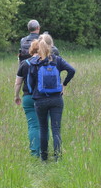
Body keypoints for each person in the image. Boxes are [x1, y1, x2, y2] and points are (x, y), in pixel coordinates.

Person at [32, 34, 75, 162]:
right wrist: (64, 84)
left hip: (40, 99)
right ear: (52, 45)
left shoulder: (35, 62)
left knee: (43, 128)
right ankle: (57, 157)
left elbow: (30, 81)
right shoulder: (58, 60)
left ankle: (44, 158)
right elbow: (72, 70)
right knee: (56, 129)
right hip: (57, 99)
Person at [14, 40, 42, 157]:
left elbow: (18, 83)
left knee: (33, 125)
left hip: (28, 97)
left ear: (31, 49)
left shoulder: (24, 64)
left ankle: (35, 152)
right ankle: (44, 151)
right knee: (44, 124)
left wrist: (16, 96)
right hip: (44, 98)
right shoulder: (47, 62)